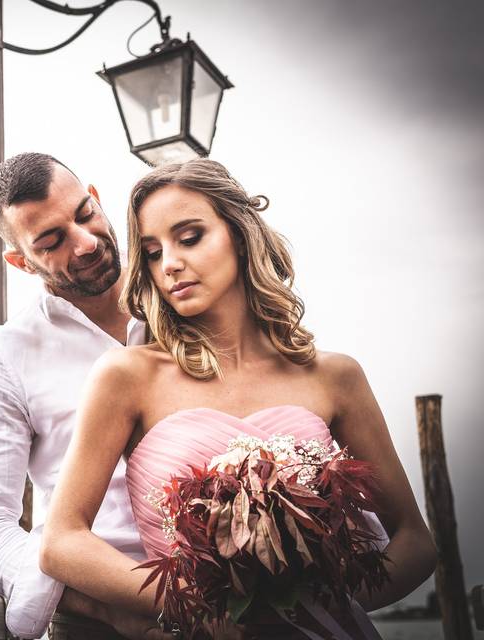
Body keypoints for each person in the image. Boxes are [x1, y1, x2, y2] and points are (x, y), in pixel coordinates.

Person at [39, 159, 437, 637]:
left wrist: (325, 605)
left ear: (239, 233)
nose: (169, 264)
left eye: (189, 237)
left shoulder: (336, 376)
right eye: (150, 252)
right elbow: (62, 542)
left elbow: (416, 540)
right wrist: (195, 607)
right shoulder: (127, 376)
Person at [0, 152, 166, 639]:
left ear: (94, 197)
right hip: (102, 623)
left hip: (240, 596)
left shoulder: (184, 297)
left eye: (85, 214)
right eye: (52, 242)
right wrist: (104, 606)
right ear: (20, 262)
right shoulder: (6, 354)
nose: (87, 243)